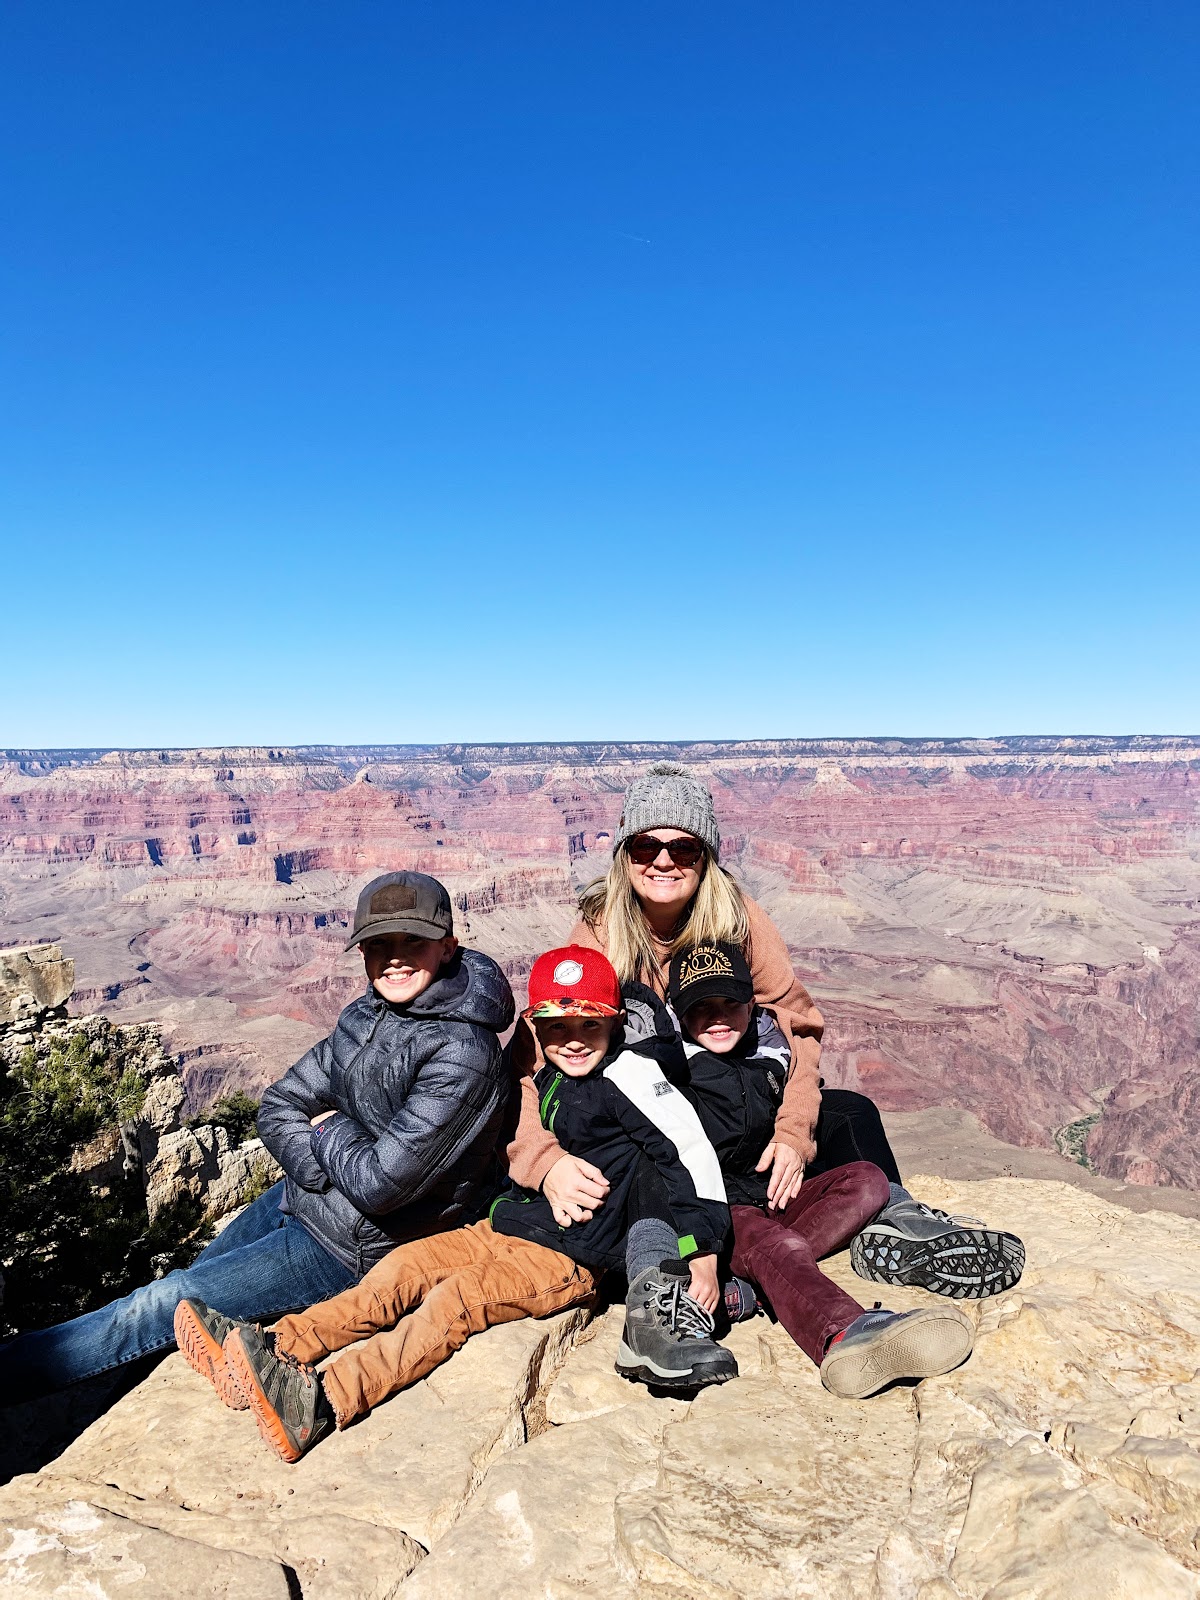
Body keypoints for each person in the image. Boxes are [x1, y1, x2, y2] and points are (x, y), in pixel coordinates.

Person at [179, 944, 732, 1462]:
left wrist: (700, 1248)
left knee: (455, 1302)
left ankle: (325, 1400)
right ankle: (277, 1348)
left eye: (590, 1025)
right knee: (403, 1266)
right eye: (557, 1027)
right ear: (537, 1030)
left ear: (614, 1022)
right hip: (510, 1223)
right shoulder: (548, 1075)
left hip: (574, 1256)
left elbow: (689, 1157)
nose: (574, 1040)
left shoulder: (633, 1074)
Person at [507, 762, 1024, 1300]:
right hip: (651, 1113)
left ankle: (901, 1222)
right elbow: (529, 1062)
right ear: (623, 855)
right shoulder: (598, 932)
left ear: (706, 856)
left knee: (851, 1111)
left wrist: (793, 1131)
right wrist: (545, 1164)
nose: (663, 861)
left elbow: (798, 1024)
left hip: (727, 1101)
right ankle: (748, 1264)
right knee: (660, 1165)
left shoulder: (739, 918)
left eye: (683, 848)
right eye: (644, 847)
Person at [0, 871, 514, 1399]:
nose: (395, 958)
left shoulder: (462, 1053)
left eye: (414, 943)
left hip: (353, 1247)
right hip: (303, 1194)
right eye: (379, 944)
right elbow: (279, 1104)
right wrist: (319, 1166)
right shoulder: (368, 1014)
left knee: (164, 1302)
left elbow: (380, 1186)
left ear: (448, 947)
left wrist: (329, 1126)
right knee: (181, 1296)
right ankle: (105, 1396)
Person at [667, 940, 973, 1396]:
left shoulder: (766, 1052)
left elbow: (806, 1089)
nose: (716, 1017)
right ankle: (844, 1333)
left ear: (751, 1005)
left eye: (729, 1004)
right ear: (680, 1014)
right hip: (720, 1212)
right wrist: (696, 1247)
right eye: (700, 1008)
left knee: (868, 1180)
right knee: (778, 1245)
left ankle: (757, 1287)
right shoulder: (672, 1072)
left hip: (770, 1195)